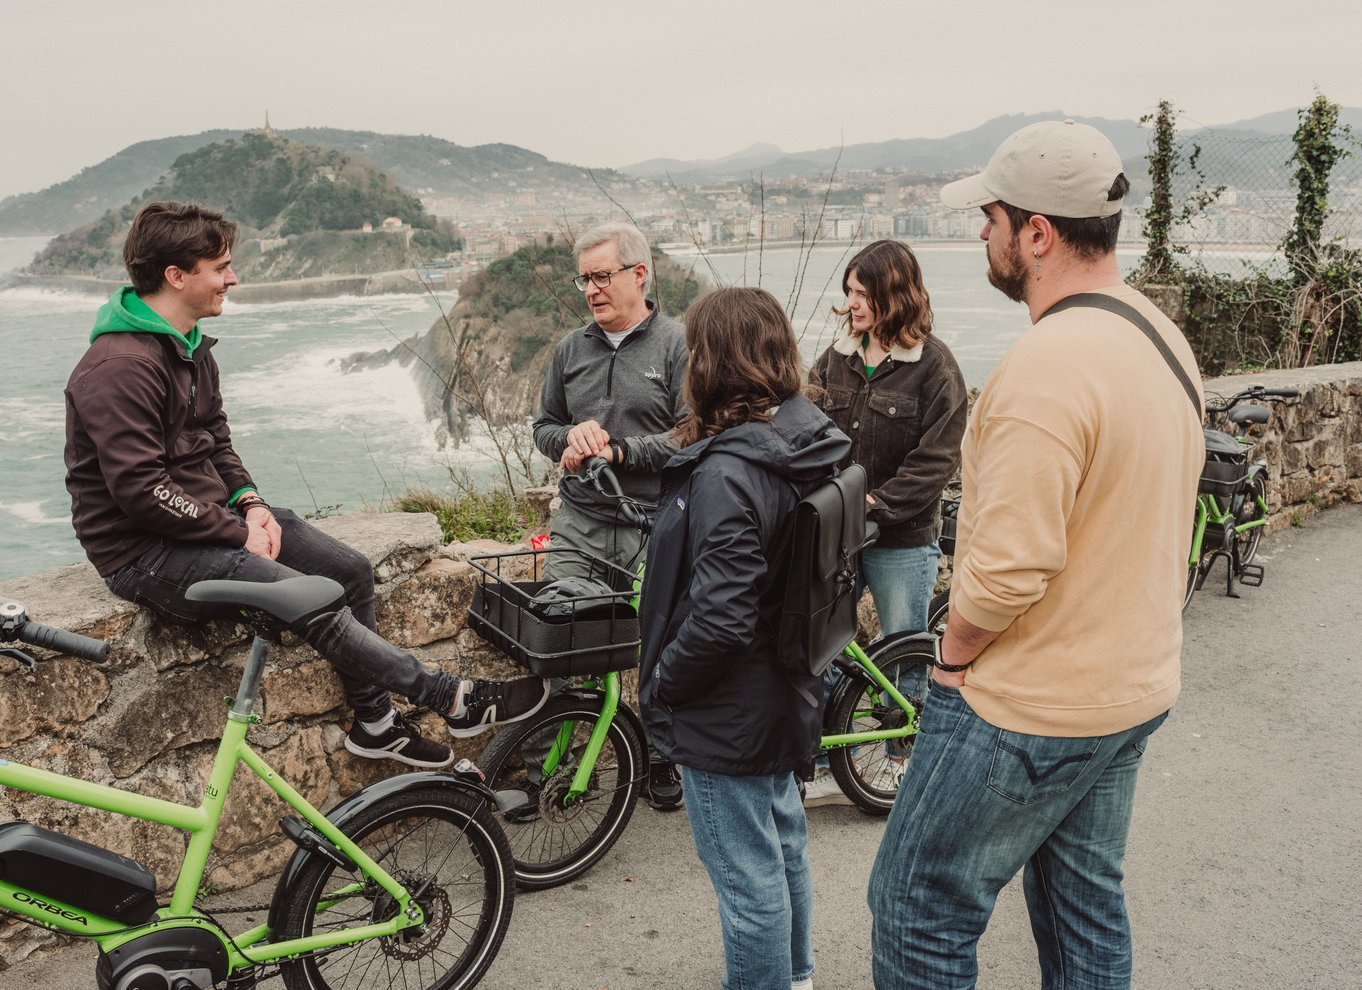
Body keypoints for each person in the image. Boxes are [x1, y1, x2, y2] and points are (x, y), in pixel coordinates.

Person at [866, 120, 1204, 989]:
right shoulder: (1161, 339)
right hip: (1130, 687)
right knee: (1084, 911)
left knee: (916, 906)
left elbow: (1010, 568)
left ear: (1038, 233)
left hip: (1029, 702)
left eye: (989, 219)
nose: (981, 234)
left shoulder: (1047, 365)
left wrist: (951, 657)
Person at [64, 201, 549, 769]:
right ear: (176, 275)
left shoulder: (189, 346)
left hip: (205, 524)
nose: (233, 277)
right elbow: (141, 491)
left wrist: (253, 505)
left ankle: (376, 723)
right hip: (145, 553)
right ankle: (450, 697)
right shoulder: (118, 366)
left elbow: (214, 438)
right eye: (220, 266)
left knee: (348, 572)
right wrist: (232, 531)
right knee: (309, 598)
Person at [638, 286, 851, 990]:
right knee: (784, 845)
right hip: (782, 684)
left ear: (712, 362)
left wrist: (664, 683)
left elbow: (721, 616)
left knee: (746, 878)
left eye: (693, 348)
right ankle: (796, 977)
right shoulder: (804, 436)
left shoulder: (729, 472)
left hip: (726, 708)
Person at [804, 238, 968, 807]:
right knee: (822, 644)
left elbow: (938, 457)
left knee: (904, 649)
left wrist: (877, 503)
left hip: (900, 538)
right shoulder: (834, 359)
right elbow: (806, 430)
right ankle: (825, 755)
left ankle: (903, 761)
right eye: (848, 291)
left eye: (862, 292)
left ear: (893, 295)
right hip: (837, 535)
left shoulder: (935, 368)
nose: (851, 303)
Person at [531, 222, 689, 810]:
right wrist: (568, 439)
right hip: (581, 522)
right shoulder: (569, 350)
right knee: (564, 641)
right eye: (585, 280)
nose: (592, 290)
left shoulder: (676, 344)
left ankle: (662, 758)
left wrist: (620, 450)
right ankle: (556, 765)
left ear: (639, 273)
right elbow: (543, 426)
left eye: (603, 276)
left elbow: (691, 433)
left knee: (659, 646)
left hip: (654, 523)